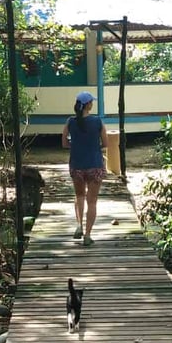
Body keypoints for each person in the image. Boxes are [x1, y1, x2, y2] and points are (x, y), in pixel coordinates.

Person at [62, 91, 106, 246]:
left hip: (77, 165)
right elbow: (105, 143)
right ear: (88, 105)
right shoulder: (97, 121)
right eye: (91, 102)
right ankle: (87, 235)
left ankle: (79, 226)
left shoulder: (70, 122)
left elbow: (64, 143)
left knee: (79, 196)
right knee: (92, 202)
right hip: (95, 164)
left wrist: (76, 146)